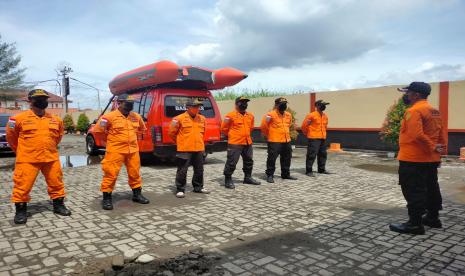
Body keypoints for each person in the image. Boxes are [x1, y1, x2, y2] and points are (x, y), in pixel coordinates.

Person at [389, 82, 447, 235]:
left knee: (413, 189)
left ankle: (414, 224)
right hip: (430, 159)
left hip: (413, 158)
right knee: (431, 188)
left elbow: (416, 134)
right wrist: (438, 152)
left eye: (408, 92)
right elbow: (441, 134)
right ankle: (433, 218)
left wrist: (432, 147)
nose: (406, 95)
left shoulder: (414, 110)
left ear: (416, 95)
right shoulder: (434, 111)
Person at [6, 89, 71, 224]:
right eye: (38, 99)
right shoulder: (17, 119)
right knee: (22, 185)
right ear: (30, 101)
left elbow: (58, 137)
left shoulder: (56, 119)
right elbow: (11, 138)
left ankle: (58, 205)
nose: (42, 101)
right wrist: (21, 151)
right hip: (28, 159)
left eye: (44, 98)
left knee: (56, 182)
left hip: (50, 158)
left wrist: (48, 147)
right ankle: (21, 210)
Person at [94, 94, 149, 210]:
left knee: (135, 173)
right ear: (119, 102)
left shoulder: (136, 117)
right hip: (115, 151)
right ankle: (107, 198)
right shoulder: (108, 117)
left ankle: (137, 194)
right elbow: (98, 131)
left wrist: (132, 139)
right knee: (111, 174)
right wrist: (111, 142)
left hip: (133, 151)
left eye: (132, 103)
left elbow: (142, 130)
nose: (130, 105)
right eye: (127, 103)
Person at [168, 98, 210, 198]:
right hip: (184, 148)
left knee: (199, 169)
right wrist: (181, 142)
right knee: (182, 170)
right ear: (188, 107)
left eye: (198, 106)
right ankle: (180, 189)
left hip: (199, 148)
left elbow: (203, 133)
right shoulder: (178, 119)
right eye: (194, 106)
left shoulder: (202, 118)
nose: (197, 108)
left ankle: (198, 187)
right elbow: (171, 133)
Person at [222, 96, 261, 189]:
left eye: (245, 102)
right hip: (235, 143)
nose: (244, 104)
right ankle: (228, 179)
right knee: (232, 162)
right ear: (236, 104)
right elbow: (224, 129)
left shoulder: (250, 116)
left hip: (247, 142)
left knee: (249, 161)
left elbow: (251, 128)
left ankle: (247, 178)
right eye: (241, 102)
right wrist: (233, 136)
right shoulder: (230, 116)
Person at [260, 97, 297, 183]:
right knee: (272, 159)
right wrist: (268, 135)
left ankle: (285, 174)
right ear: (276, 105)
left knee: (287, 158)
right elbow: (264, 126)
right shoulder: (270, 115)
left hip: (286, 140)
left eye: (285, 104)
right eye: (282, 104)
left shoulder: (288, 115)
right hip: (274, 141)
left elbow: (289, 125)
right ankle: (269, 175)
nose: (284, 105)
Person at [301, 100, 331, 177]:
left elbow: (325, 126)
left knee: (323, 154)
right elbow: (304, 126)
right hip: (313, 138)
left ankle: (321, 169)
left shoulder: (325, 116)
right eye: (322, 105)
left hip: (323, 138)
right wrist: (308, 134)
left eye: (325, 105)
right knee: (312, 154)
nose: (324, 106)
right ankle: (309, 171)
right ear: (317, 106)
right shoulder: (311, 116)